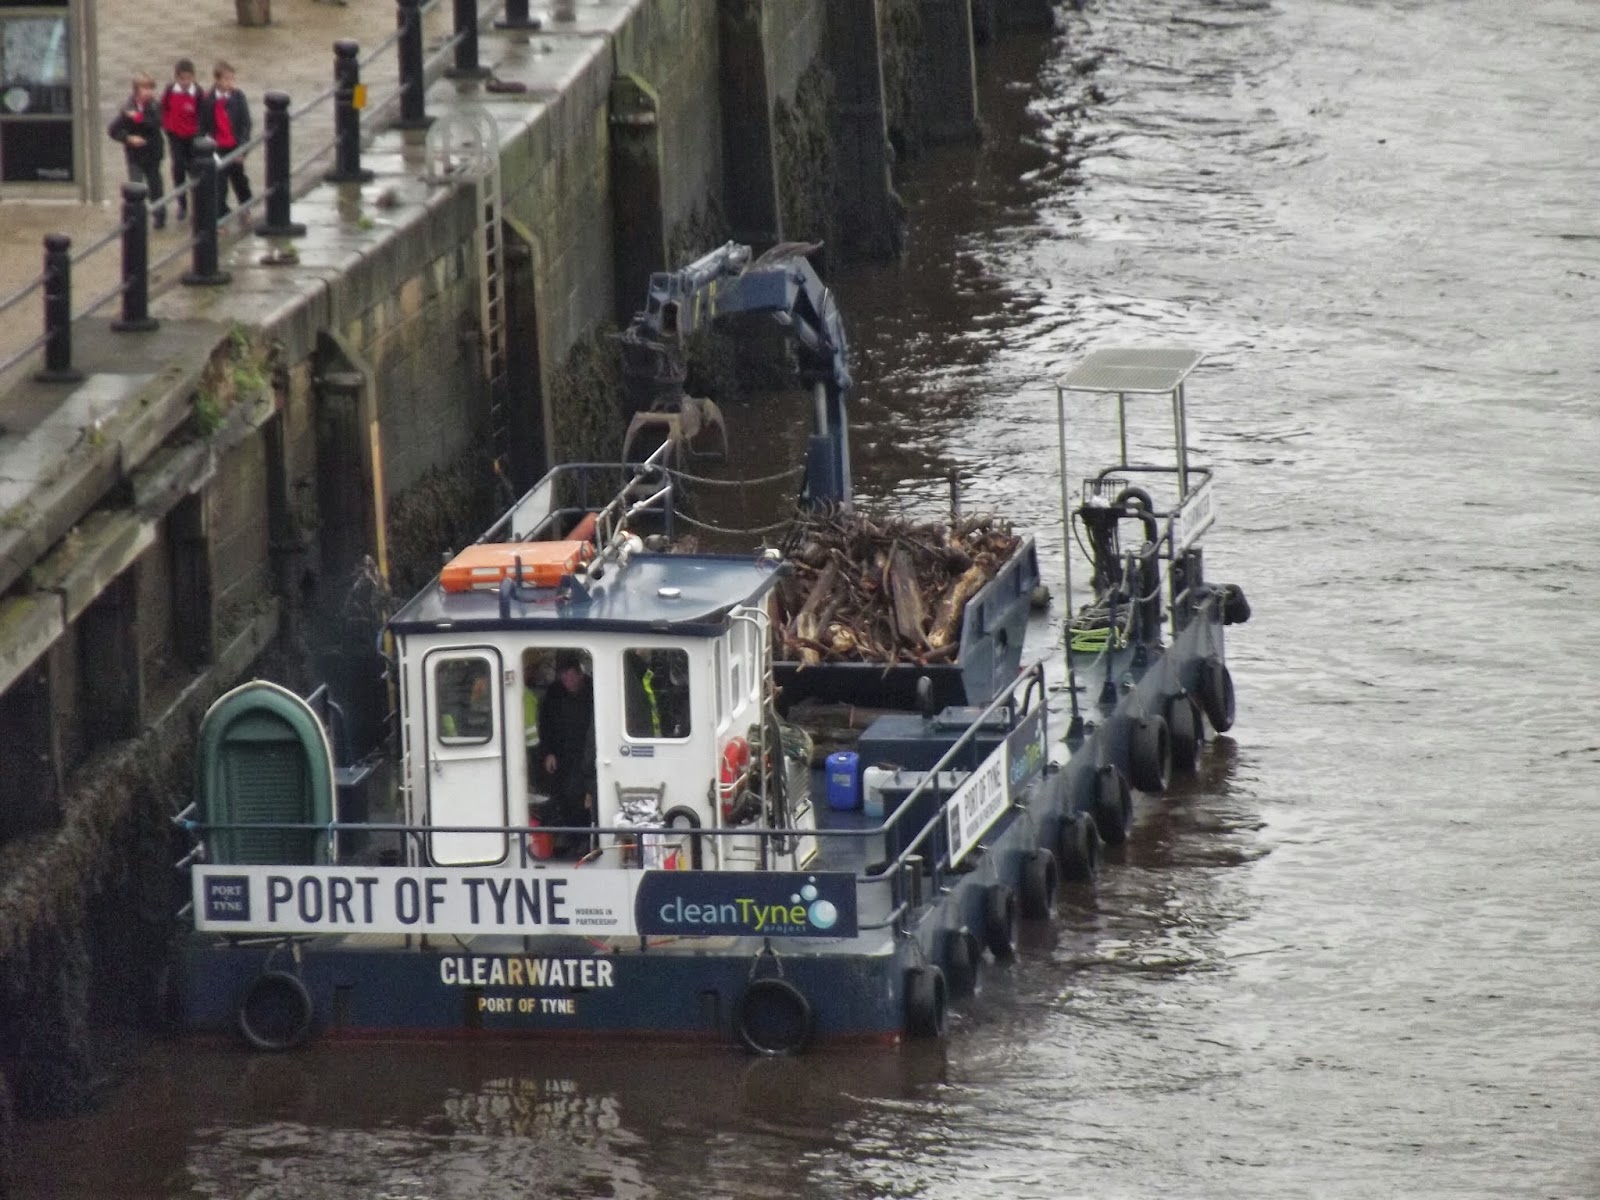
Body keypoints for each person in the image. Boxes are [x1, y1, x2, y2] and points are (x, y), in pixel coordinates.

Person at [538, 651, 594, 852]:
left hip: (586, 752)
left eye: (571, 676)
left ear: (580, 674)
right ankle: (569, 835)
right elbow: (545, 724)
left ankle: (584, 837)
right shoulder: (554, 693)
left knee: (582, 796)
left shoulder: (593, 691)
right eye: (564, 676)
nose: (567, 681)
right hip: (561, 753)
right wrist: (548, 752)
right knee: (562, 794)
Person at [108, 73, 166, 229]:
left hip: (152, 154)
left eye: (150, 88)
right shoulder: (128, 108)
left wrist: (137, 118)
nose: (148, 92)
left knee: (155, 186)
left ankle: (159, 215)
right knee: (136, 186)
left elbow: (155, 124)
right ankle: (136, 219)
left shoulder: (154, 106)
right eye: (144, 88)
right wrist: (128, 138)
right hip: (135, 156)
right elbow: (113, 130)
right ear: (136, 90)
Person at [201, 60, 252, 217]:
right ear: (217, 80)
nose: (230, 83)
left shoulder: (238, 97)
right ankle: (221, 215)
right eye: (226, 79)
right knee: (220, 184)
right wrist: (209, 147)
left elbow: (245, 124)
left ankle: (246, 207)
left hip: (235, 145)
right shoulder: (208, 100)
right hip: (218, 148)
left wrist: (242, 149)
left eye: (232, 79)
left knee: (240, 180)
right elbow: (204, 126)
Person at [160, 58, 201, 222]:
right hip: (176, 137)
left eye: (189, 78)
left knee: (195, 171)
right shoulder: (170, 91)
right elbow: (163, 108)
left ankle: (197, 206)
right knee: (178, 170)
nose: (185, 82)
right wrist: (167, 127)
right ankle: (182, 204)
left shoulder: (198, 93)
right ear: (176, 78)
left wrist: (198, 132)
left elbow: (202, 114)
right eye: (182, 78)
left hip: (193, 138)